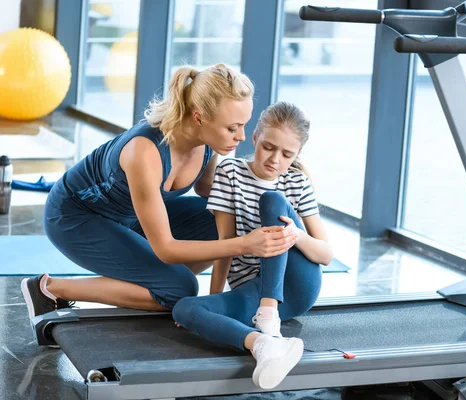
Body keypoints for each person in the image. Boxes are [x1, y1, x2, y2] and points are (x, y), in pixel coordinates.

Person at [20, 64, 297, 321]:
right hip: (76, 218)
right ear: (199, 117)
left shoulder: (209, 141)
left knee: (228, 216)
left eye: (244, 125)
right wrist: (246, 244)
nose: (241, 136)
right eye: (232, 128)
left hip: (131, 217)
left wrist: (265, 187)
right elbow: (165, 249)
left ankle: (154, 283)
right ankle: (50, 289)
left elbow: (208, 189)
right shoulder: (144, 151)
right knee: (181, 290)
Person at [172, 101, 334, 390]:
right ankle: (264, 345)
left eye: (287, 154)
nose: (275, 160)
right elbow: (226, 245)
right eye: (269, 147)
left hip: (295, 286)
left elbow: (326, 255)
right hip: (251, 287)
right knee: (184, 309)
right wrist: (213, 301)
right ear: (256, 137)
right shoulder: (230, 173)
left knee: (272, 200)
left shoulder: (296, 182)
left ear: (297, 155)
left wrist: (296, 234)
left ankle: (269, 315)